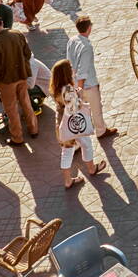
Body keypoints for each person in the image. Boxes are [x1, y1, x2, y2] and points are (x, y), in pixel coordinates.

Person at [51, 60, 106, 188]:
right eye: (70, 68)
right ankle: (92, 168)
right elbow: (74, 107)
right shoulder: (68, 89)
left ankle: (67, 180)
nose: (72, 69)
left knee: (67, 151)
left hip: (61, 124)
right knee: (86, 144)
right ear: (66, 73)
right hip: (74, 125)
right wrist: (79, 95)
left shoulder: (56, 89)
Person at [0, 15, 37, 146]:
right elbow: (28, 54)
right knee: (26, 102)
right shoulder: (17, 34)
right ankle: (34, 129)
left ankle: (17, 137)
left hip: (7, 81)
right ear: (2, 23)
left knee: (11, 109)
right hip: (21, 75)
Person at [67, 15, 118, 139]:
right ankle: (101, 131)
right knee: (96, 109)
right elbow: (83, 70)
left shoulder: (72, 40)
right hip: (87, 85)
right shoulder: (87, 47)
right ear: (89, 28)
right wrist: (80, 88)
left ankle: (80, 135)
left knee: (79, 110)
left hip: (74, 81)